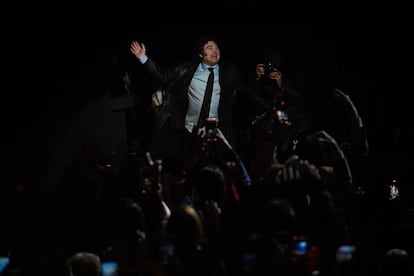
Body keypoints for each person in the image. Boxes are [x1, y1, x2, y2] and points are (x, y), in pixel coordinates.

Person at [130, 34, 247, 177]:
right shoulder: (185, 70)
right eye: (209, 47)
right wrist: (143, 58)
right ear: (200, 54)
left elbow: (247, 91)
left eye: (216, 47)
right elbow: (163, 76)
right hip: (191, 132)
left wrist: (261, 79)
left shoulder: (229, 73)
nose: (215, 50)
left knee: (217, 174)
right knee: (191, 173)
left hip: (215, 134)